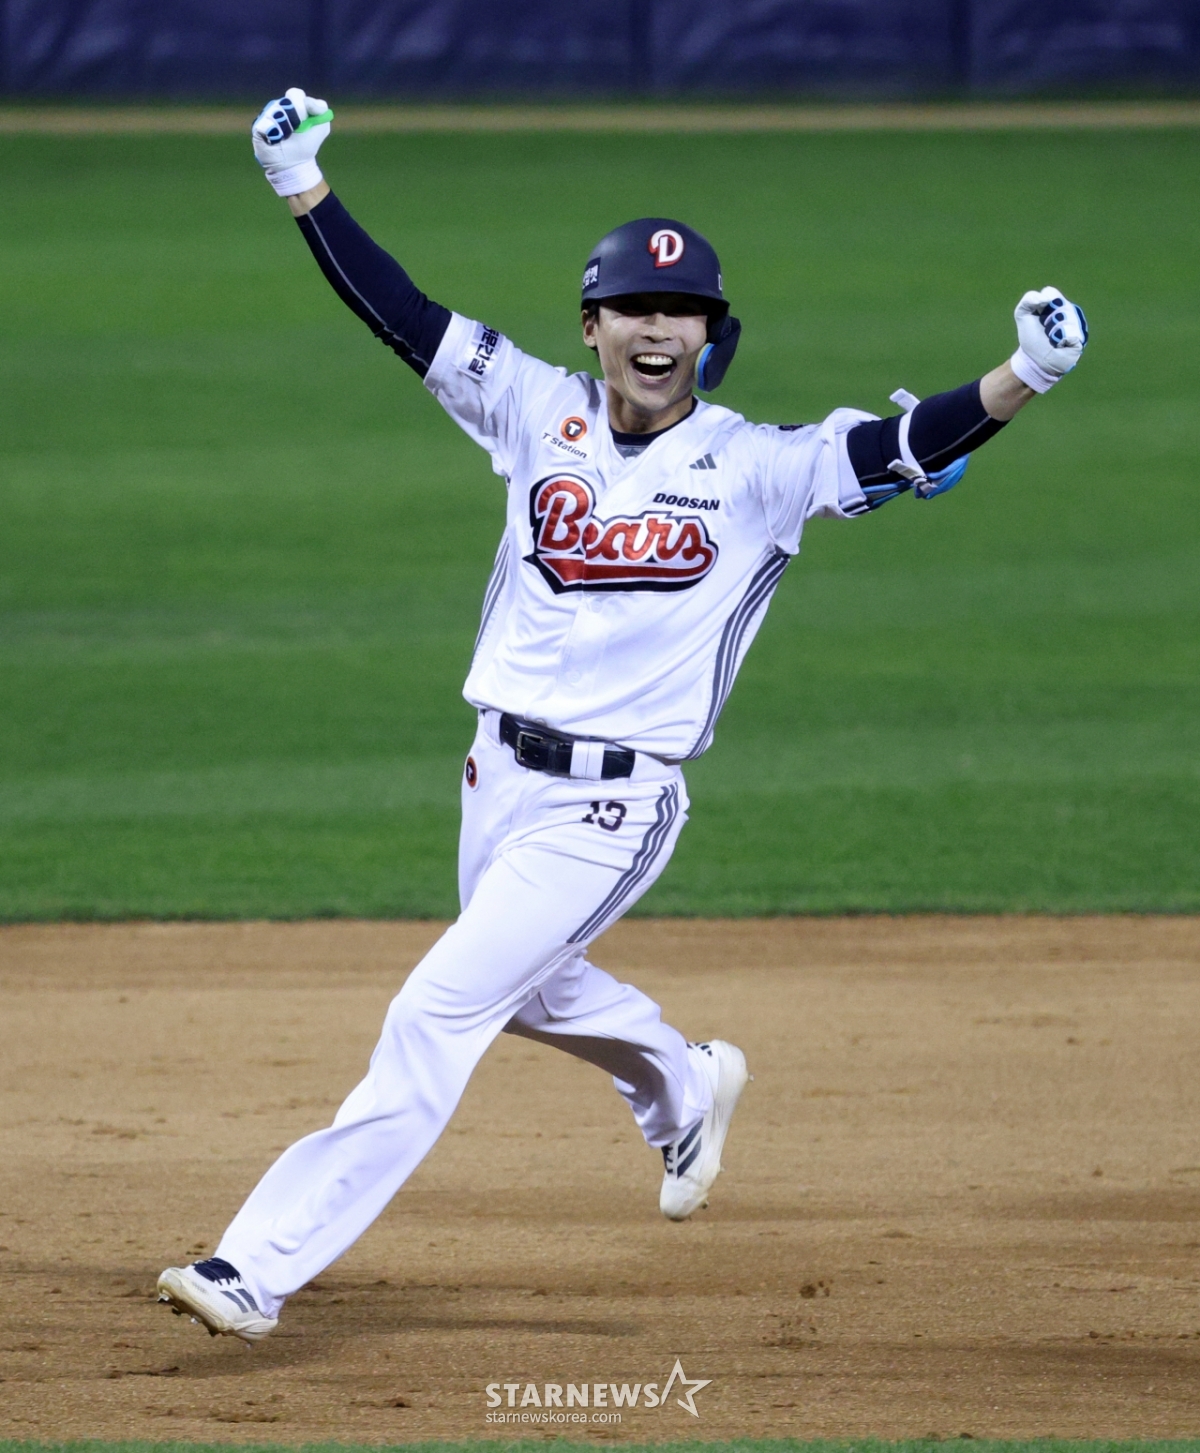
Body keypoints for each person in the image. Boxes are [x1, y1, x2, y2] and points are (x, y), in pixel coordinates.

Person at [157, 90, 1089, 1344]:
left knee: (438, 1011)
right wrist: (300, 185)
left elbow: (894, 446)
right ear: (593, 326)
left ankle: (256, 1265)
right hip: (494, 779)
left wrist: (1024, 376)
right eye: (636, 308)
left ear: (713, 334)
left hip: (614, 804)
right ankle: (684, 1089)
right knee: (534, 993)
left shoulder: (759, 466)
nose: (659, 329)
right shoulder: (528, 405)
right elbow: (404, 315)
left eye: (683, 311)